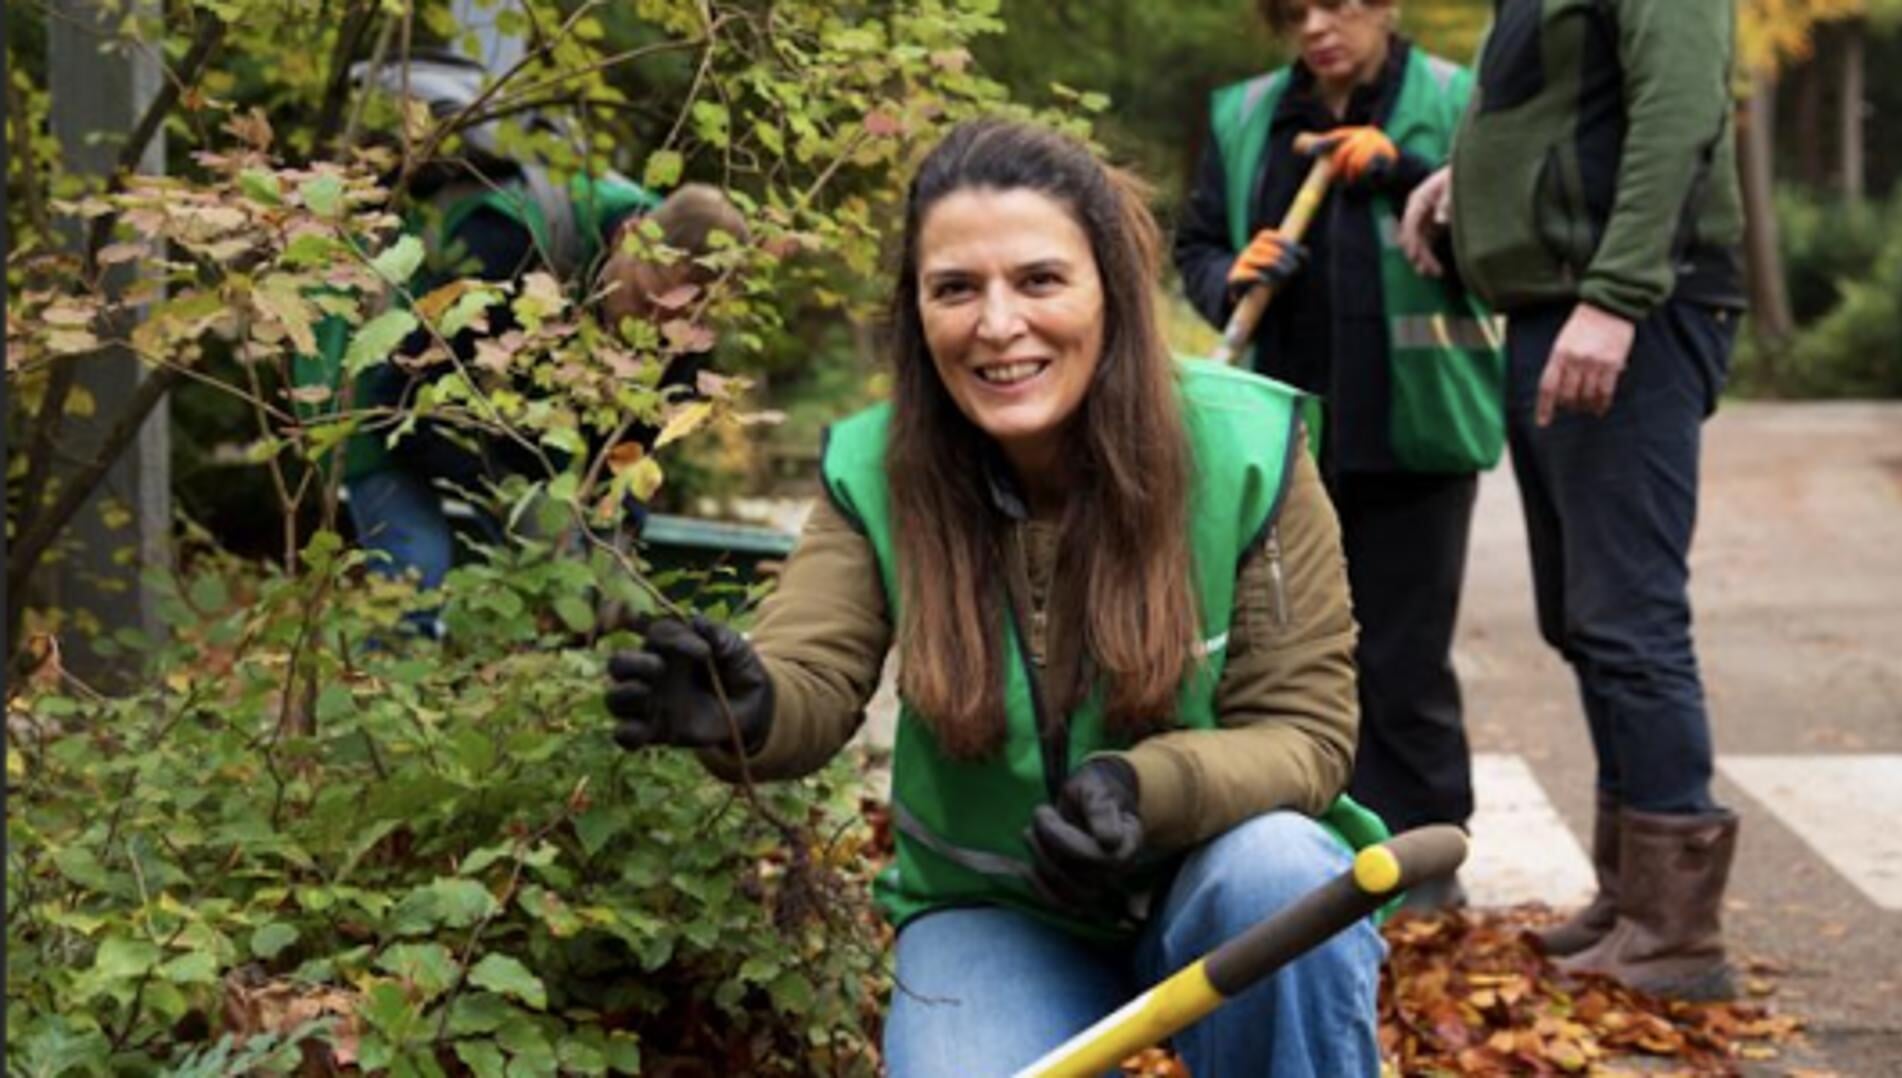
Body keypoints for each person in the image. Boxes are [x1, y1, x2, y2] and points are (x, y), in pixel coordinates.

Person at [605, 119, 1388, 1075]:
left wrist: (1144, 789)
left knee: (1285, 875)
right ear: (916, 311)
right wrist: (752, 709)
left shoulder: (1248, 449)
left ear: (1109, 290)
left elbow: (1305, 734)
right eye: (955, 289)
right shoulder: (876, 467)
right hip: (1000, 916)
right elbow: (813, 666)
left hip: (1209, 879)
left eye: (1039, 280)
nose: (997, 324)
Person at [1398, 0, 1744, 1000]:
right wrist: (1476, 186)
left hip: (1624, 306)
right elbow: (1573, 117)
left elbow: (1675, 115)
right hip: (1559, 300)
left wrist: (1618, 294)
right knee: (1584, 616)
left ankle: (1677, 935)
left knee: (1627, 614)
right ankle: (1628, 899)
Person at [1174, 0, 1501, 909]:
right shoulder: (1243, 116)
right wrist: (1231, 275)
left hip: (1416, 428)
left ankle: (1424, 868)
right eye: (1295, 12)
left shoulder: (1451, 99)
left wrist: (1405, 173)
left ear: (1385, 8)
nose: (1317, 27)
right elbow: (1195, 247)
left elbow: (1499, 241)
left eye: (1339, 5)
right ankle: (1300, 864)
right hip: (1281, 440)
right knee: (1284, 659)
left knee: (1405, 658)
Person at [297, 54, 747, 634]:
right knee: (418, 575)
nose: (651, 328)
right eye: (644, 300)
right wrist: (528, 500)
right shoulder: (509, 239)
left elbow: (631, 447)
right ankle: (385, 709)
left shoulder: (681, 311)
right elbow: (406, 404)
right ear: (633, 235)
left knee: (560, 588)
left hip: (500, 425)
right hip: (380, 390)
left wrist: (615, 537)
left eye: (678, 320)